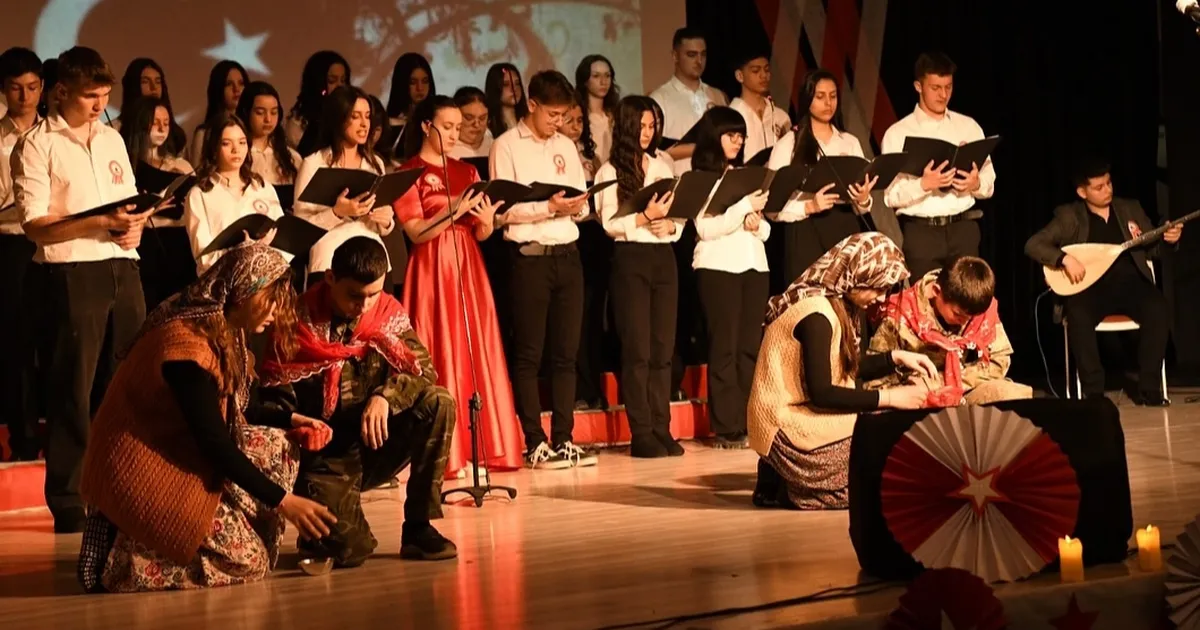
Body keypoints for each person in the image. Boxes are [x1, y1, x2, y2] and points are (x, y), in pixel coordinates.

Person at [76, 243, 338, 592]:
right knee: (249, 562)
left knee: (278, 445)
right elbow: (214, 442)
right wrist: (284, 501)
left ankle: (192, 537)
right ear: (243, 291)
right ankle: (119, 555)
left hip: (179, 448)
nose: (276, 312)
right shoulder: (186, 348)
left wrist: (293, 420)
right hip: (143, 463)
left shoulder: (225, 331)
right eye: (270, 299)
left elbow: (240, 408)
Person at [13, 47, 151, 532]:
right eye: (90, 96)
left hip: (122, 267)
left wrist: (134, 226)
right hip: (72, 273)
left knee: (127, 384)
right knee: (72, 386)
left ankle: (123, 484)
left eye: (104, 96)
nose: (98, 105)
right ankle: (69, 496)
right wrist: (100, 222)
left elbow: (128, 202)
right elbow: (36, 225)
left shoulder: (111, 138)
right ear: (61, 92)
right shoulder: (36, 145)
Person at [259, 236, 458, 566]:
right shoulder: (294, 321)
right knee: (351, 552)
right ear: (330, 278)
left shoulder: (386, 314)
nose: (364, 306)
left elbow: (424, 371)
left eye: (373, 294)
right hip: (326, 456)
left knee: (439, 401)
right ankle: (319, 533)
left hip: (374, 441)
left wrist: (384, 397)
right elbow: (272, 400)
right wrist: (298, 430)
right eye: (354, 295)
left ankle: (419, 528)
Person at [749, 232, 933, 510]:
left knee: (886, 447)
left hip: (806, 414)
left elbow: (840, 365)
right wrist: (893, 397)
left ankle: (783, 482)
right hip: (784, 429)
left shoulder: (836, 304)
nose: (880, 297)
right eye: (876, 287)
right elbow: (822, 392)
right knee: (880, 466)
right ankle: (789, 488)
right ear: (855, 275)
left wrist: (894, 358)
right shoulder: (816, 315)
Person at [393, 95, 523, 478]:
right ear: (426, 127)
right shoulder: (409, 173)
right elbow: (416, 233)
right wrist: (454, 207)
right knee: (440, 348)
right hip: (431, 268)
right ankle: (444, 452)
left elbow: (480, 232)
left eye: (457, 127)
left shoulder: (467, 170)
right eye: (446, 127)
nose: (454, 133)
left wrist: (484, 222)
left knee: (473, 347)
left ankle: (481, 446)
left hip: (468, 264)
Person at [490, 70, 598, 469]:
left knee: (566, 354)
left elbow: (581, 201)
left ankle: (565, 437)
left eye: (563, 115)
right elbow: (502, 211)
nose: (558, 123)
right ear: (531, 104)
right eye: (552, 114)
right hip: (529, 259)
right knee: (530, 354)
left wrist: (576, 205)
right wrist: (547, 208)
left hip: (567, 254)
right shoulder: (506, 146)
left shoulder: (566, 146)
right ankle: (534, 440)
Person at [1024, 158, 1180, 405]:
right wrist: (1063, 258)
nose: (1107, 190)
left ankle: (1150, 388)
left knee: (1158, 308)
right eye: (1099, 187)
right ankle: (1093, 393)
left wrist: (1168, 239)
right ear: (1082, 191)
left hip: (1131, 285)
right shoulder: (1069, 216)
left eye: (1109, 183)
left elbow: (1152, 249)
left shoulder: (1130, 208)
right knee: (1078, 314)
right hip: (1090, 287)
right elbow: (1033, 244)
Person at [596, 95, 685, 457]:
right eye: (642, 126)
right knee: (638, 350)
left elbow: (679, 213)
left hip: (663, 257)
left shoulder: (662, 164)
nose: (648, 133)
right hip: (630, 258)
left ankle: (662, 428)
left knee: (663, 349)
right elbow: (609, 223)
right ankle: (642, 431)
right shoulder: (609, 171)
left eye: (653, 126)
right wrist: (644, 219)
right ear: (627, 128)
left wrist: (671, 227)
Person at [692, 106, 770, 449]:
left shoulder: (747, 177)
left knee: (748, 349)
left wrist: (757, 222)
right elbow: (706, 228)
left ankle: (750, 420)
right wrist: (741, 210)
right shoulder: (700, 178)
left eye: (740, 136)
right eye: (730, 135)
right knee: (724, 348)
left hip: (754, 264)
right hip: (718, 267)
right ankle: (726, 426)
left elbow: (766, 229)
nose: (737, 142)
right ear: (714, 137)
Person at [881, 52, 996, 277]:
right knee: (924, 304)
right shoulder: (898, 133)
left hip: (963, 228)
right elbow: (890, 196)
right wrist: (923, 184)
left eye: (948, 87)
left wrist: (975, 183)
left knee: (968, 301)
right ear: (918, 86)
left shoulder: (968, 126)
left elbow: (990, 182)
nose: (943, 95)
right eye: (935, 88)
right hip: (922, 233)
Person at [866, 256, 1032, 405]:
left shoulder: (979, 310)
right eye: (958, 315)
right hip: (917, 398)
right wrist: (912, 389)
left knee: (1012, 395)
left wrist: (946, 383)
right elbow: (875, 380)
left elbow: (999, 360)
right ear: (936, 292)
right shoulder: (901, 316)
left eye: (972, 317)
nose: (965, 322)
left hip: (963, 390)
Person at [768, 69, 876, 288]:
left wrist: (863, 199)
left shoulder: (849, 142)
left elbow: (861, 206)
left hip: (844, 229)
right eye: (820, 96)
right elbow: (771, 207)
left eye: (833, 96)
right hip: (805, 233)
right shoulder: (789, 143)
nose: (828, 103)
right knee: (811, 307)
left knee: (846, 308)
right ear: (807, 98)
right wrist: (809, 206)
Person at [294, 85, 396, 282]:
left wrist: (386, 220)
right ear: (339, 118)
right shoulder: (314, 163)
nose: (364, 124)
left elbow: (383, 221)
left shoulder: (375, 163)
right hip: (329, 261)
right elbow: (299, 228)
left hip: (374, 261)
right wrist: (336, 213)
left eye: (367, 116)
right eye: (355, 116)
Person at [0, 47, 42, 461]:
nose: (24, 97)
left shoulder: (52, 132)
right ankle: (24, 436)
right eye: (16, 89)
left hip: (54, 239)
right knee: (17, 343)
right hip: (11, 241)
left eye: (31, 87)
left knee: (57, 340)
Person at [119, 95, 196, 307]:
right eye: (155, 123)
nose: (162, 129)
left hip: (179, 244)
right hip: (146, 244)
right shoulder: (126, 165)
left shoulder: (181, 166)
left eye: (166, 123)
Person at [184, 115, 285, 274]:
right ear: (214, 148)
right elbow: (204, 258)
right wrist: (244, 252)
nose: (236, 150)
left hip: (266, 278)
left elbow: (283, 241)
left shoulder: (262, 187)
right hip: (222, 282)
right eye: (226, 143)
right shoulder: (200, 194)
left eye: (242, 142)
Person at [649, 28, 727, 172]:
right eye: (691, 55)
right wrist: (703, 147)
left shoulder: (717, 95)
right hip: (680, 182)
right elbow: (655, 150)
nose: (699, 61)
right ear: (675, 56)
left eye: (703, 55)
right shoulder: (660, 98)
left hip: (717, 181)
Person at [113, 58, 187, 153]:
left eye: (158, 82)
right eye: (145, 82)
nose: (154, 87)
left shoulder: (175, 134)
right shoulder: (114, 130)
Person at [237, 81, 301, 189]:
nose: (268, 119)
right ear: (246, 112)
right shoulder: (237, 154)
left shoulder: (291, 157)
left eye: (273, 112)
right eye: (260, 112)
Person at [728, 51, 790, 163]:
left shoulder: (781, 116)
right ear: (740, 76)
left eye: (766, 70)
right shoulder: (731, 116)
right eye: (756, 71)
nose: (763, 76)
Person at [287, 50, 350, 152]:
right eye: (332, 81)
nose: (340, 86)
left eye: (343, 80)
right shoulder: (300, 121)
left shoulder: (350, 114)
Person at [188, 60, 248, 166]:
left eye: (241, 83)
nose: (237, 89)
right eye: (229, 84)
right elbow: (196, 175)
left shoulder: (250, 129)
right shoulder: (204, 133)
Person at [575, 54, 619, 172]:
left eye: (607, 76)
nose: (603, 82)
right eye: (596, 76)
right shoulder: (578, 118)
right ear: (584, 80)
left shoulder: (616, 115)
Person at [385, 52, 435, 154]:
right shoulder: (390, 124)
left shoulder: (436, 119)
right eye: (413, 82)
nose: (420, 88)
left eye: (425, 81)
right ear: (402, 84)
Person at [484, 63, 527, 140]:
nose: (514, 89)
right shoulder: (488, 128)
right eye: (506, 84)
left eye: (517, 83)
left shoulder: (528, 120)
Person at [448, 86, 492, 159]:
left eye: (482, 118)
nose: (476, 125)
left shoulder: (496, 147)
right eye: (469, 118)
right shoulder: (446, 150)